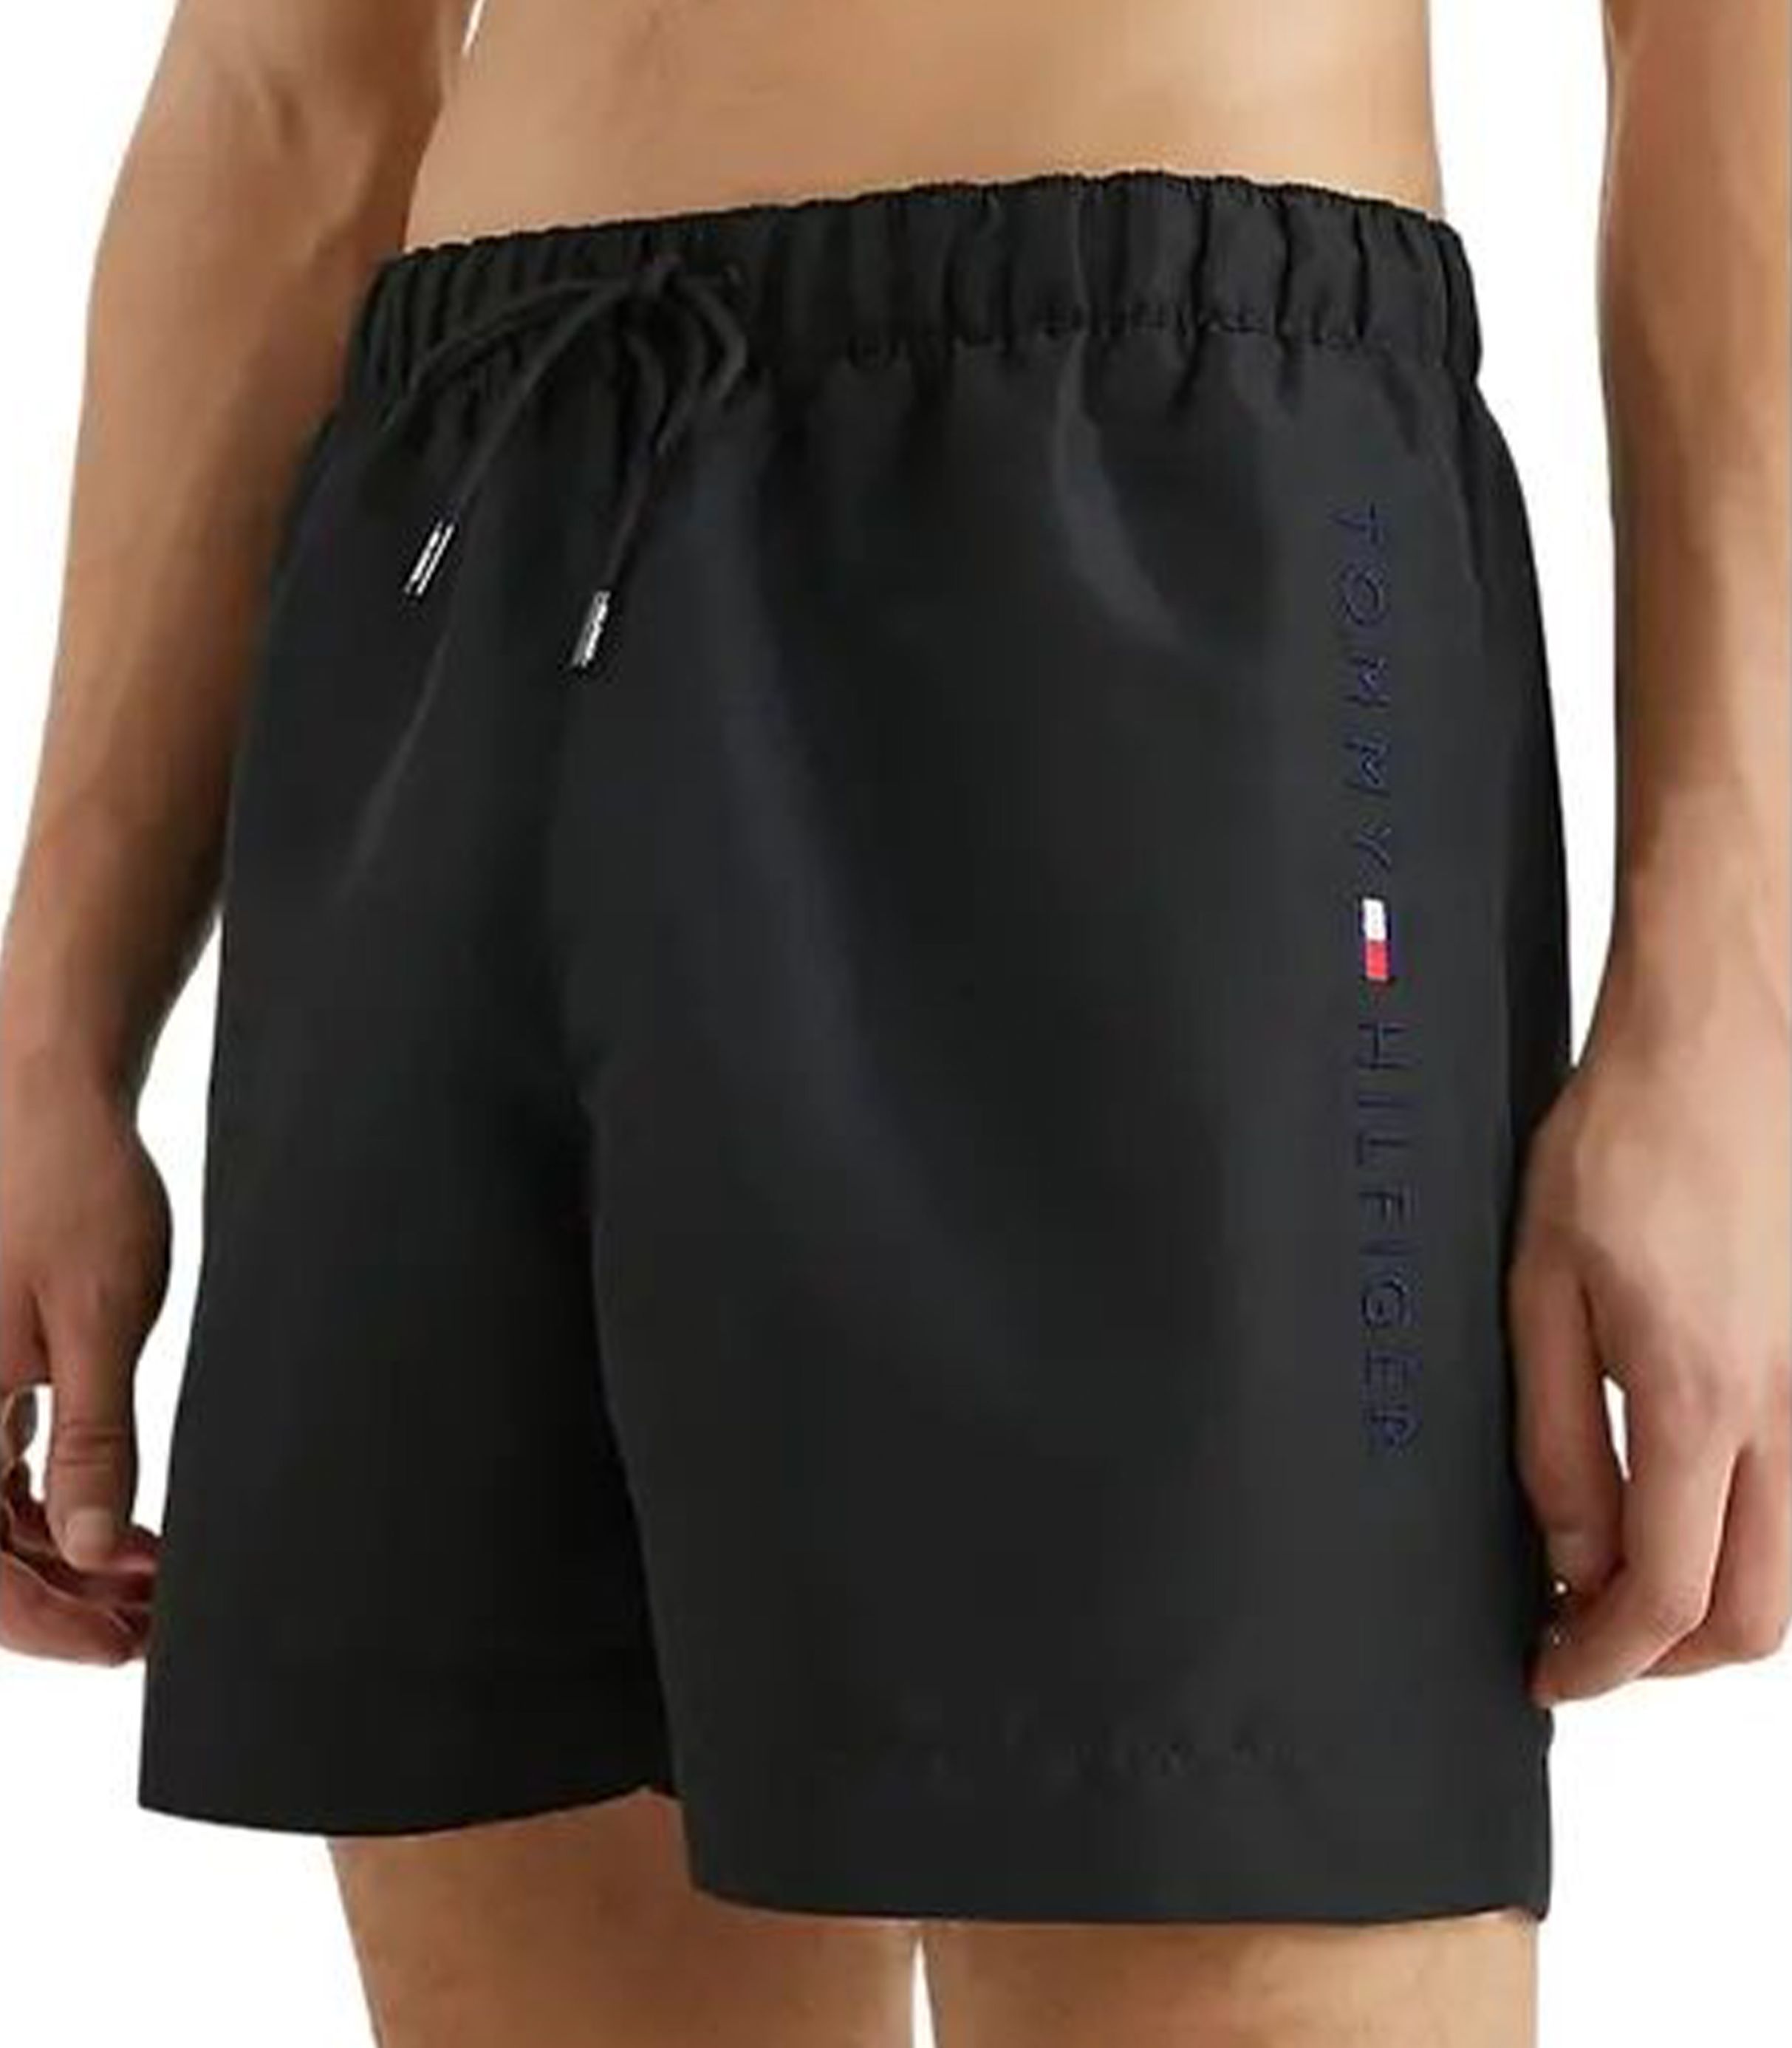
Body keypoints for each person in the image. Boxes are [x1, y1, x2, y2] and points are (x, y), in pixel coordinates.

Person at [1, 0, 1785, 2041]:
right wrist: (54, 1026)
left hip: (1148, 501)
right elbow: (283, 97)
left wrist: (1721, 1009)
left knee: (1246, 1893)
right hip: (467, 519)